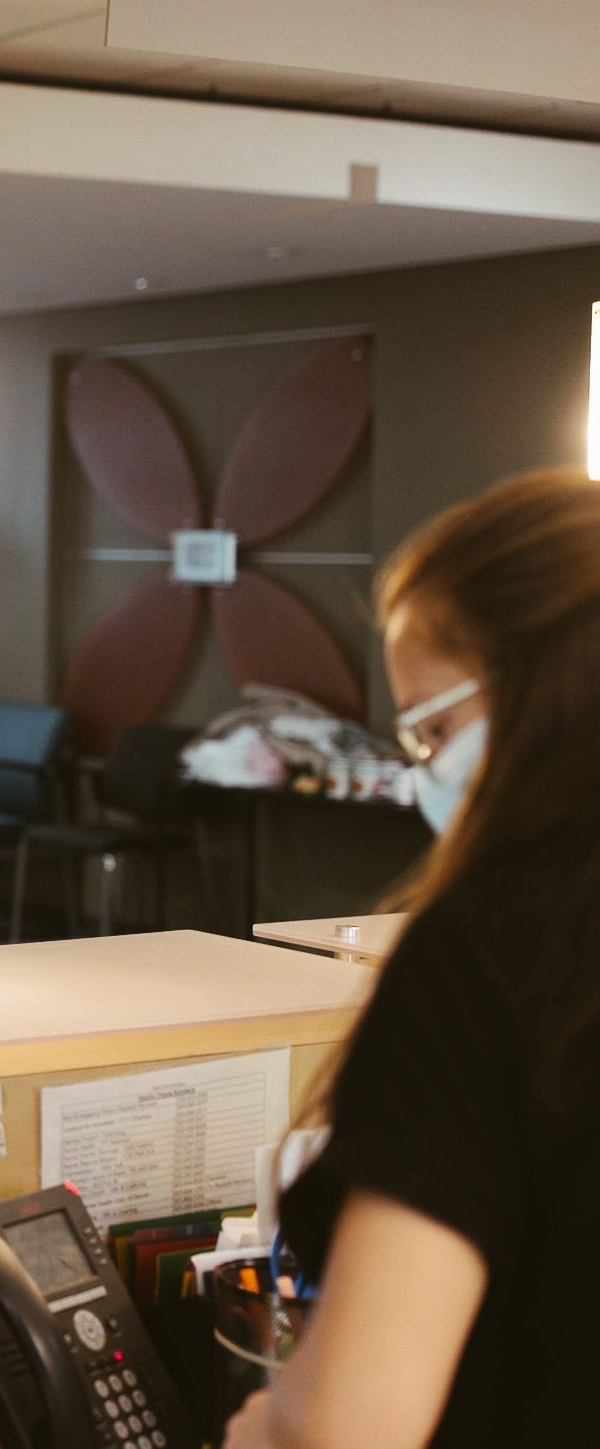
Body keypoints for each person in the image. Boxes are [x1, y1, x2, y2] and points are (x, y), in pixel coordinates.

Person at [225, 469, 600, 1449]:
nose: (427, 769)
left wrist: (266, 1426)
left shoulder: (490, 955)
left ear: (544, 685)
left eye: (435, 728)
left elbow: (353, 1425)